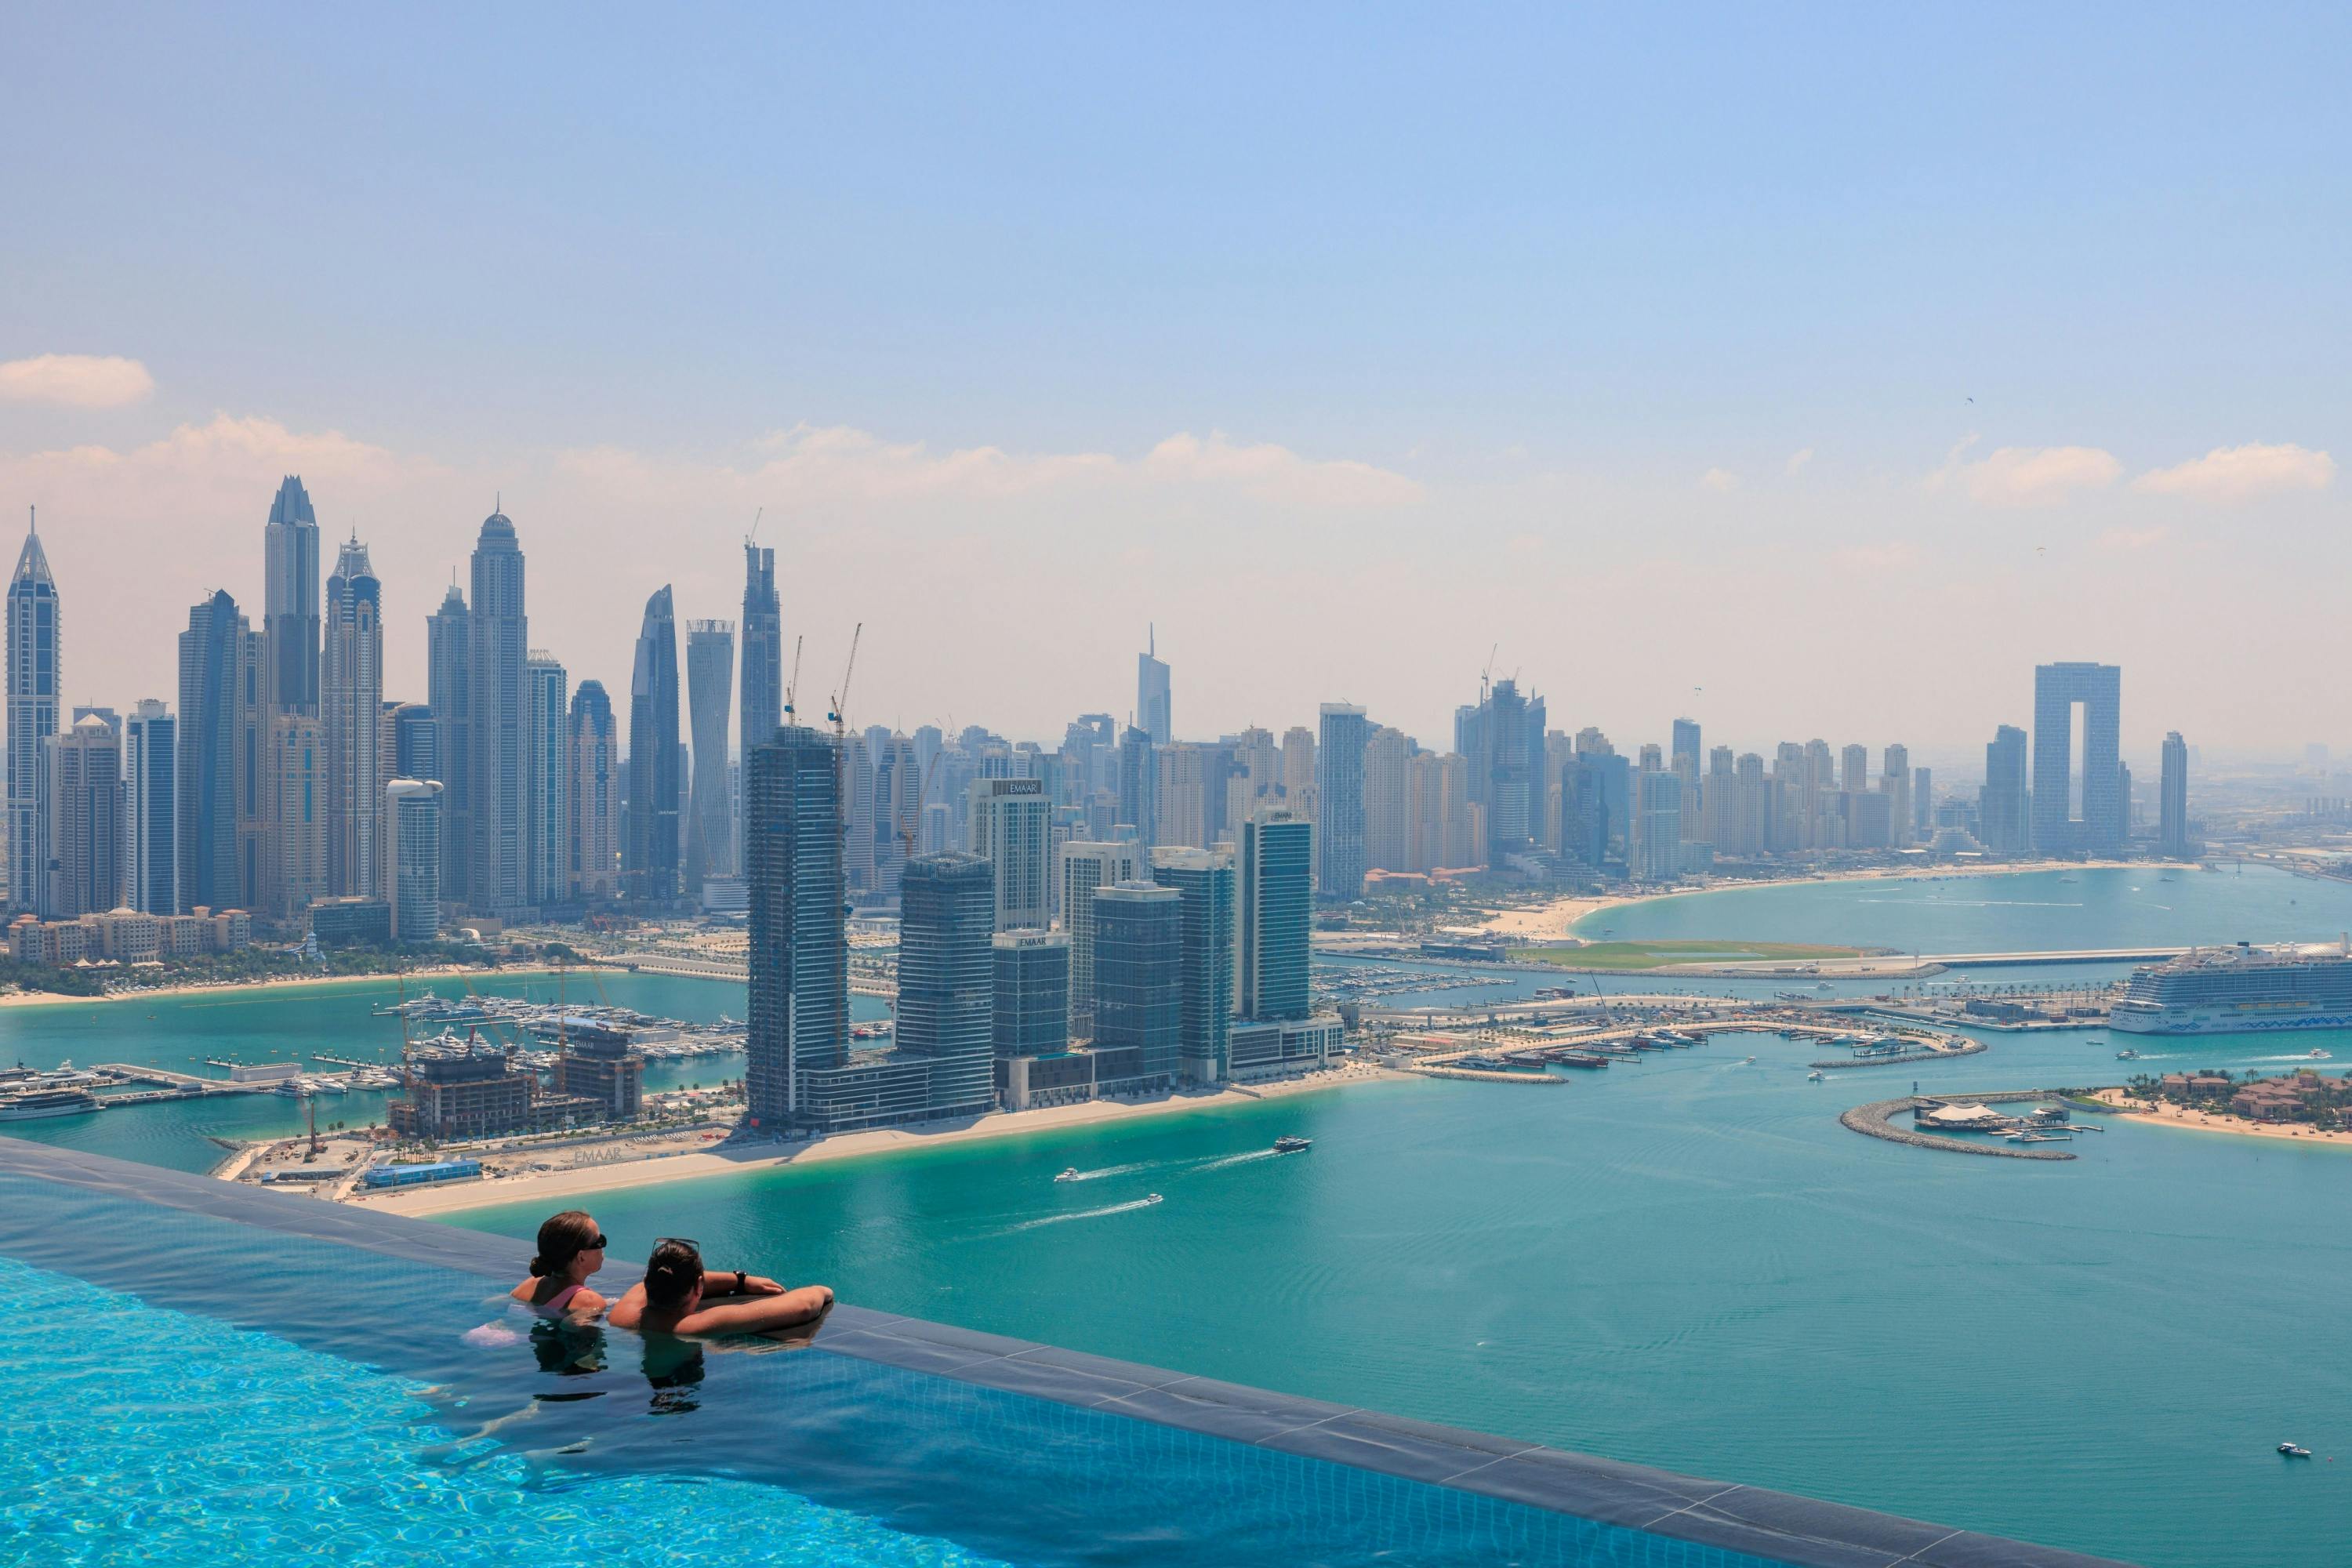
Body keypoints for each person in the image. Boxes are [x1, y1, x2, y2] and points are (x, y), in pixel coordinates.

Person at [607, 1237, 833, 1339]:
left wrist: (740, 1280)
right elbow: (803, 1307)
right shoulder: (695, 1327)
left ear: (648, 1280)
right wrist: (820, 1290)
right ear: (699, 1287)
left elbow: (651, 1281)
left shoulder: (622, 1314)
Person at [510, 1210, 612, 1317]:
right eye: (599, 1242)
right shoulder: (589, 1302)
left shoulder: (529, 1285)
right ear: (581, 1257)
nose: (602, 1247)